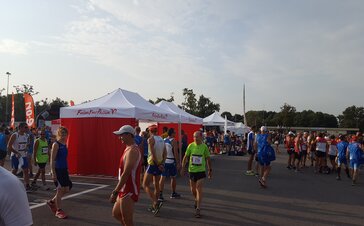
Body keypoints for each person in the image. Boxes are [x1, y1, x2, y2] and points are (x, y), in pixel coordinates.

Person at [110, 125, 142, 226]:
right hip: (124, 188)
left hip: (129, 189)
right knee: (116, 214)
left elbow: (126, 173)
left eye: (121, 135)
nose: (119, 138)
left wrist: (115, 192)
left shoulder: (132, 151)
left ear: (129, 135)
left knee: (127, 220)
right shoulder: (128, 148)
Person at [181, 131, 212, 218]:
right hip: (192, 171)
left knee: (198, 188)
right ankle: (196, 199)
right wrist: (183, 168)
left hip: (201, 171)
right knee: (193, 190)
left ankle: (198, 209)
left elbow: (208, 159)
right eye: (194, 137)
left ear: (201, 137)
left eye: (197, 137)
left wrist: (210, 169)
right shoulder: (190, 145)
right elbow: (185, 157)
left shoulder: (204, 147)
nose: (195, 138)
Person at [47, 126, 72, 219]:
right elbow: (52, 160)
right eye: (62, 134)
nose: (64, 136)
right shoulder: (56, 144)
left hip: (64, 169)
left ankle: (52, 202)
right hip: (57, 170)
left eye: (65, 134)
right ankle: (59, 210)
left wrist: (67, 169)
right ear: (59, 134)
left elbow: (64, 158)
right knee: (60, 190)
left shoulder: (65, 144)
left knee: (67, 189)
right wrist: (53, 172)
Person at [143, 124, 166, 215]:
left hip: (153, 164)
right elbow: (165, 152)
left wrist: (157, 164)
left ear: (150, 131)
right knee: (156, 184)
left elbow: (152, 154)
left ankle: (155, 202)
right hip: (159, 163)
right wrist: (162, 163)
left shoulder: (151, 139)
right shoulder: (161, 139)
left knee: (145, 184)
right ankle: (154, 206)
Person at [7, 122, 32, 191]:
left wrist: (26, 148)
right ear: (20, 128)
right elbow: (9, 146)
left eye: (27, 127)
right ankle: (10, 184)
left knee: (26, 170)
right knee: (15, 171)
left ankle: (27, 185)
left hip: (23, 156)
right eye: (25, 127)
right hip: (15, 156)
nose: (27, 128)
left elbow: (25, 145)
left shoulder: (26, 135)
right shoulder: (15, 135)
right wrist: (16, 152)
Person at [159, 128, 181, 201]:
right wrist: (178, 162)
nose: (175, 133)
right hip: (171, 161)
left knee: (163, 177)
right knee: (173, 177)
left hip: (165, 161)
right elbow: (176, 153)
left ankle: (160, 194)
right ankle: (173, 193)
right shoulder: (173, 141)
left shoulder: (164, 140)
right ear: (172, 133)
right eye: (174, 132)